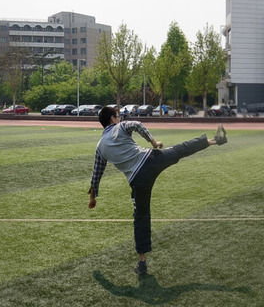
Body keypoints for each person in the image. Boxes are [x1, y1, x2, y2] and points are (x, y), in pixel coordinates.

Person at [88, 106, 229, 275]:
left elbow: (96, 174)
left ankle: (142, 263)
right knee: (180, 150)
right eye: (117, 116)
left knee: (141, 218)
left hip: (138, 180)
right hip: (150, 161)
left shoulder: (100, 147)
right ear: (112, 119)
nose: (119, 118)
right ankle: (216, 140)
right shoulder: (121, 127)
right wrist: (154, 143)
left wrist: (92, 197)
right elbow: (137, 125)